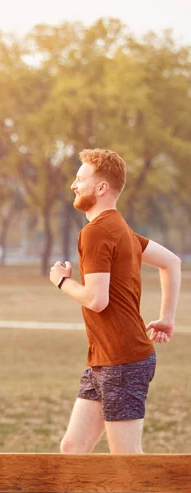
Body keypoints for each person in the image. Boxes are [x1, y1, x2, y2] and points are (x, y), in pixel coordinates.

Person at [50, 148, 181, 454]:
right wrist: (167, 318)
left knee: (126, 463)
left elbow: (96, 299)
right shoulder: (121, 228)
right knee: (72, 450)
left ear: (102, 188)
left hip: (122, 360)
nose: (73, 184)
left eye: (80, 178)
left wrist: (62, 281)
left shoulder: (95, 232)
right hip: (104, 359)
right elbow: (172, 262)